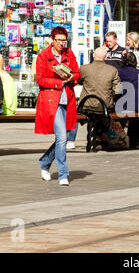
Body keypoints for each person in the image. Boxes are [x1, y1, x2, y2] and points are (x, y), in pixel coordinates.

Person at [35, 27, 81, 186]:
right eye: (59, 40)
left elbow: (77, 73)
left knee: (65, 137)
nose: (62, 43)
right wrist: (58, 82)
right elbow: (40, 79)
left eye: (64, 40)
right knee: (62, 137)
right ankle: (63, 174)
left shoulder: (69, 54)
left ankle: (45, 162)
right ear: (52, 40)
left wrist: (71, 78)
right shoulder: (43, 56)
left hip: (67, 99)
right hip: (51, 101)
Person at [117, 52, 139, 148]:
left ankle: (119, 139)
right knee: (136, 115)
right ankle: (137, 140)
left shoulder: (119, 72)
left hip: (123, 105)